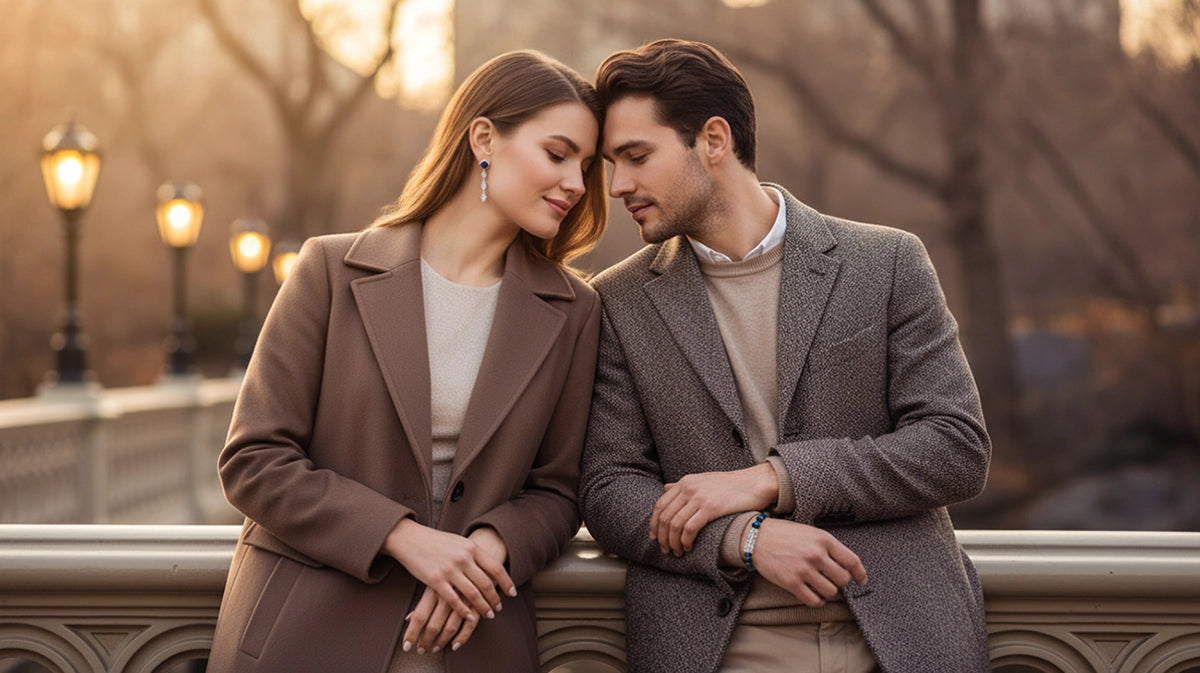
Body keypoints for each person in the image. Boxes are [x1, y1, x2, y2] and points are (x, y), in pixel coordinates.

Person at [579, 39, 992, 673]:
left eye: (636, 157)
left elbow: (955, 448)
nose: (617, 186)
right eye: (612, 163)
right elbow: (610, 491)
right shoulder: (618, 301)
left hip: (904, 636)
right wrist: (744, 539)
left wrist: (772, 480)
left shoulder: (886, 263)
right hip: (717, 646)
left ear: (713, 140)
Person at [208, 50, 607, 673]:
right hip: (309, 633)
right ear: (484, 139)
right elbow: (253, 461)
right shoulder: (330, 271)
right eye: (558, 155)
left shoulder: (574, 310)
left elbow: (558, 491)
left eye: (585, 166)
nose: (577, 184)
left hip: (471, 639)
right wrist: (406, 538)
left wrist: (489, 546)